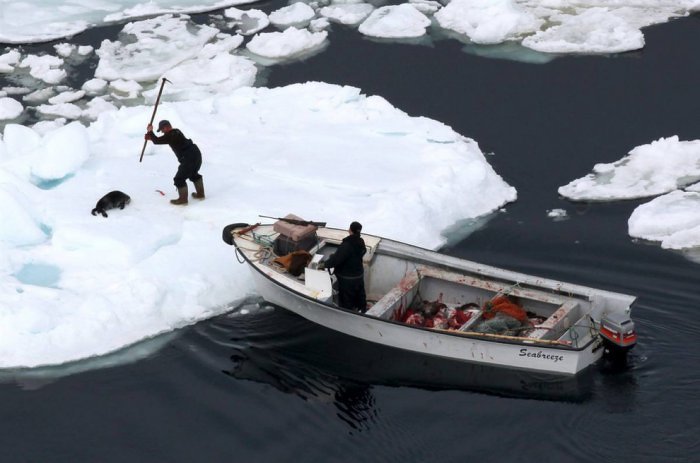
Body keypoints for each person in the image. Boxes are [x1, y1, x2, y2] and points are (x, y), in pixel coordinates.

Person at [145, 119, 204, 205]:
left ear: (165, 127)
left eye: (162, 130)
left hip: (188, 158)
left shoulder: (171, 135)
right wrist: (151, 137)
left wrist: (150, 132)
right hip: (196, 154)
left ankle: (183, 200)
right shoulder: (176, 132)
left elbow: (157, 141)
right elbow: (160, 139)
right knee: (193, 174)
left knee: (179, 179)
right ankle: (200, 195)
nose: (162, 132)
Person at [320, 221, 367, 312]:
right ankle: (363, 310)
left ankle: (347, 315)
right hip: (359, 275)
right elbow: (362, 252)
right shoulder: (361, 241)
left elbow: (335, 260)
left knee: (347, 301)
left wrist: (323, 265)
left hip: (347, 279)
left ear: (350, 230)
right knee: (360, 295)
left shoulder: (347, 245)